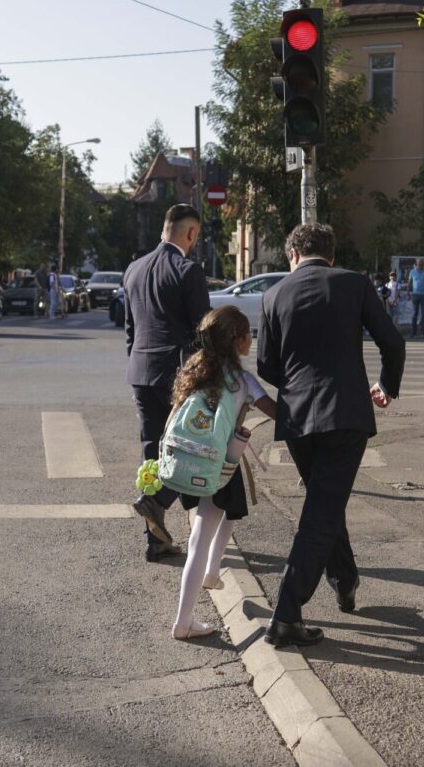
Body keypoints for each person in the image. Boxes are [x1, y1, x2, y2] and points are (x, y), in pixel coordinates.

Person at [258, 223, 405, 647]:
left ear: (292, 255)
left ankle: (344, 579)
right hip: (345, 414)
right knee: (322, 509)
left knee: (324, 501)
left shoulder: (273, 295)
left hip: (298, 419)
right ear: (332, 255)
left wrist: (297, 383)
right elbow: (393, 343)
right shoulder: (354, 284)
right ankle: (286, 612)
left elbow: (266, 365)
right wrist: (386, 385)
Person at [162, 305, 278, 640]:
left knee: (227, 513)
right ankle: (183, 622)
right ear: (237, 340)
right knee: (200, 538)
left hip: (192, 460)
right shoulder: (243, 380)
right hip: (219, 464)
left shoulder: (195, 369)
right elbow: (277, 412)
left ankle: (212, 572)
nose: (251, 340)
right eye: (248, 334)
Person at [125, 204, 211, 561]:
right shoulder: (188, 271)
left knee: (152, 453)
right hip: (177, 377)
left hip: (140, 373)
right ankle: (160, 503)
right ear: (191, 233)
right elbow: (204, 333)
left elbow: (130, 331)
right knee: (190, 450)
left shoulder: (133, 269)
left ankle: (156, 540)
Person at [408, 258, 424, 337]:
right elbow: (409, 282)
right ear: (416, 264)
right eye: (419, 263)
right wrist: (408, 292)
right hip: (415, 295)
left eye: (422, 264)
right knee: (414, 314)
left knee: (423, 314)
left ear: (423, 264)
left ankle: (423, 332)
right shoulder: (412, 271)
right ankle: (413, 332)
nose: (421, 265)